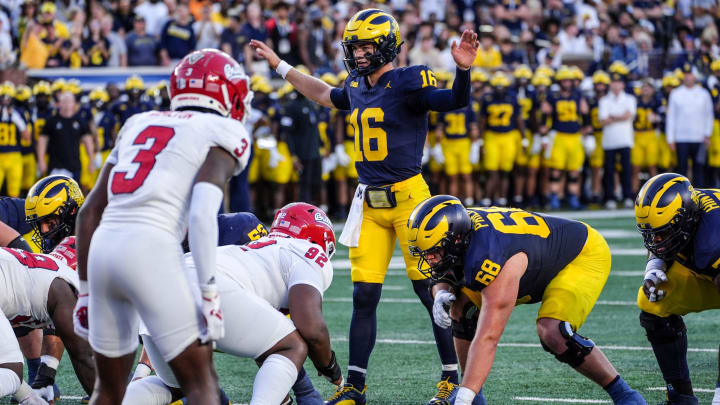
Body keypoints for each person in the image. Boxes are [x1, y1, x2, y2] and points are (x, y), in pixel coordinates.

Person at [251, 8, 479, 404]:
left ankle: (450, 378)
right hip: (369, 202)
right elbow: (323, 92)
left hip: (411, 200)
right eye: (354, 46)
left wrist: (463, 71)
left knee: (432, 291)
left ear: (388, 45)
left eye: (367, 45)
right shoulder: (357, 84)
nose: (358, 54)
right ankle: (355, 386)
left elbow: (452, 101)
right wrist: (281, 65)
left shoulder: (410, 80)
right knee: (364, 296)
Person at [72, 49, 253, 405]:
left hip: (104, 250)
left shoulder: (138, 122)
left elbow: (89, 212)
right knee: (202, 384)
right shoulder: (223, 129)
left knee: (107, 390)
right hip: (151, 248)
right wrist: (209, 292)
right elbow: (203, 213)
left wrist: (85, 290)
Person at [407, 195, 647, 405]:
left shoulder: (492, 256)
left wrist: (463, 396)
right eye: (424, 253)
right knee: (460, 308)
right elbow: (444, 273)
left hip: (580, 255)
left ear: (457, 239)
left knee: (553, 332)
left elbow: (488, 337)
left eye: (434, 251)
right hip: (531, 257)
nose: (429, 260)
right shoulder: (460, 231)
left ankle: (625, 395)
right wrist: (440, 293)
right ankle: (476, 399)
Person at [123, 203, 341, 405]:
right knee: (293, 346)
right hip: (204, 288)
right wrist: (330, 366)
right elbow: (311, 328)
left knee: (177, 385)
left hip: (160, 288)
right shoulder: (307, 252)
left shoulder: (255, 248)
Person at [634, 173, 720, 405]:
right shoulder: (686, 209)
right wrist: (654, 266)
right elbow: (658, 237)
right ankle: (681, 397)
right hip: (707, 264)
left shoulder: (713, 241)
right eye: (652, 234)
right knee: (652, 304)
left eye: (663, 233)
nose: (656, 241)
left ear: (687, 219)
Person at [0, 237, 95, 404]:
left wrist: (29, 397)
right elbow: (82, 357)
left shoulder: (44, 276)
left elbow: (59, 330)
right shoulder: (64, 286)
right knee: (12, 372)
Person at [541, 66, 590, 210]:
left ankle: (573, 198)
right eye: (564, 80)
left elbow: (585, 111)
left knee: (574, 170)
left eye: (569, 80)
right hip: (559, 136)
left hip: (575, 136)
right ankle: (554, 198)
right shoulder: (553, 96)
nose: (567, 83)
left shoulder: (578, 96)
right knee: (556, 170)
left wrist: (587, 128)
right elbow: (545, 111)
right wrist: (544, 131)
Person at [478, 72, 524, 206]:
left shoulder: (512, 98)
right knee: (491, 170)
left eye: (501, 86)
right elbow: (482, 120)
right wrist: (480, 140)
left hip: (509, 136)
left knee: (505, 171)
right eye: (497, 86)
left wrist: (524, 137)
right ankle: (488, 199)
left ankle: (502, 199)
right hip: (492, 136)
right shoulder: (487, 99)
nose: (499, 89)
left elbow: (518, 119)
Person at [666, 64, 713, 187]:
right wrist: (670, 138)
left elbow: (709, 115)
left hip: (699, 137)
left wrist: (707, 134)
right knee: (681, 169)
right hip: (681, 137)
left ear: (694, 76)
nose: (688, 77)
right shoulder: (675, 93)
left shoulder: (703, 93)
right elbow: (671, 117)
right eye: (686, 74)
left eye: (690, 74)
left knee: (699, 167)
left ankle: (700, 195)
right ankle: (682, 197)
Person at [37, 91, 95, 182]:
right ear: (59, 103)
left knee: (73, 194)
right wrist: (41, 160)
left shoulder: (80, 121)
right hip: (55, 166)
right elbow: (42, 140)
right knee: (54, 193)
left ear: (74, 103)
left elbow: (88, 140)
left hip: (74, 165)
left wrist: (92, 160)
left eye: (69, 101)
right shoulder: (51, 121)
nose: (67, 104)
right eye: (64, 101)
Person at [598, 72, 636, 209]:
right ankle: (610, 197)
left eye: (618, 82)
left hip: (625, 140)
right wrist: (620, 116)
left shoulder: (629, 99)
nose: (616, 85)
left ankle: (627, 196)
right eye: (614, 82)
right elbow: (602, 120)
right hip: (609, 141)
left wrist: (612, 117)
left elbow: (629, 115)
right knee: (609, 170)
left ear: (623, 84)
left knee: (626, 170)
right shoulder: (604, 100)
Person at [0, 82, 31, 198]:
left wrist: (18, 122)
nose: (5, 101)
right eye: (3, 97)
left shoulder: (18, 113)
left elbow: (27, 137)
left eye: (8, 98)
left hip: (15, 156)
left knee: (14, 192)